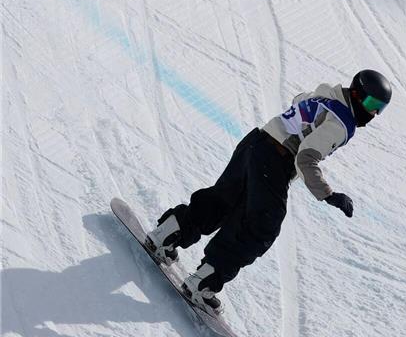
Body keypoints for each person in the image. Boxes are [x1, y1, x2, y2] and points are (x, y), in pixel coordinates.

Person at [144, 69, 392, 314]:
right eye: (371, 103)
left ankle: (168, 233)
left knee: (224, 199)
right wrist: (328, 194)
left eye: (379, 108)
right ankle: (203, 282)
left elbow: (298, 100)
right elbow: (306, 158)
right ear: (357, 93)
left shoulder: (326, 93)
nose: (372, 113)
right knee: (262, 225)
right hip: (275, 161)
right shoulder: (342, 125)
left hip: (256, 142)